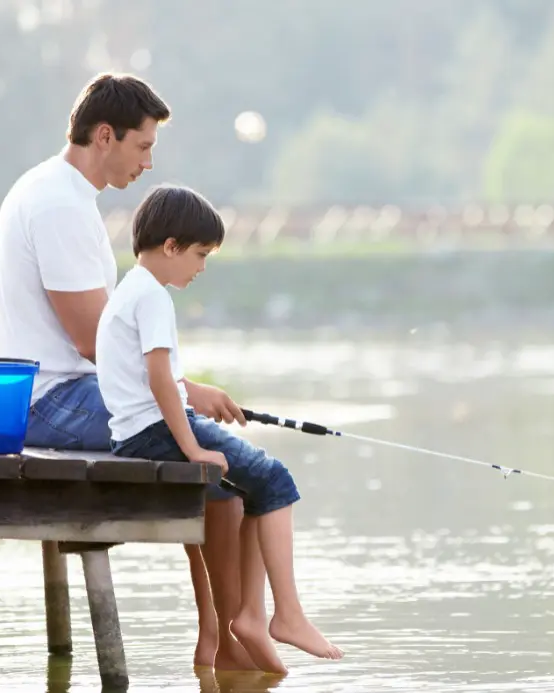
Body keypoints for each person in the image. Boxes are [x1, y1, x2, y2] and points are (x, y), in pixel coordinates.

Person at [0, 72, 257, 671]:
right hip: (50, 402)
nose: (148, 162)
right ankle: (224, 637)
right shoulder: (60, 203)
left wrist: (182, 395)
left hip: (55, 392)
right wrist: (185, 392)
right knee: (215, 457)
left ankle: (218, 632)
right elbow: (93, 342)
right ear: (103, 135)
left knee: (203, 448)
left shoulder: (56, 191)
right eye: (142, 146)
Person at [97, 183, 344, 672]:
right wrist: (191, 447)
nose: (201, 267)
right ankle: (285, 614)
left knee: (257, 487)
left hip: (134, 432)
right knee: (276, 479)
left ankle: (252, 616)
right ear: (170, 247)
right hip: (157, 432)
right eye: (199, 254)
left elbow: (155, 381)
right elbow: (161, 380)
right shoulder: (153, 299)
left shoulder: (130, 289)